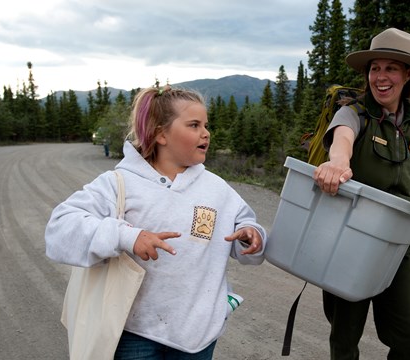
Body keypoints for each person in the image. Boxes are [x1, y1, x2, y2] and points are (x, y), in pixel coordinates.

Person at [45, 85, 267, 360]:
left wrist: (251, 235)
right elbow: (60, 228)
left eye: (206, 125)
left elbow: (244, 224)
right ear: (161, 134)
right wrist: (127, 236)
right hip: (135, 334)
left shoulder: (217, 190)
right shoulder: (120, 184)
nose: (206, 133)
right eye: (194, 125)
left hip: (197, 335)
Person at [313, 28, 410, 359]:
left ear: (408, 74)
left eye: (390, 68)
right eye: (374, 68)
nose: (380, 77)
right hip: (349, 243)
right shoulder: (352, 114)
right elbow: (341, 143)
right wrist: (336, 164)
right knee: (345, 335)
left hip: (400, 247)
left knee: (409, 335)